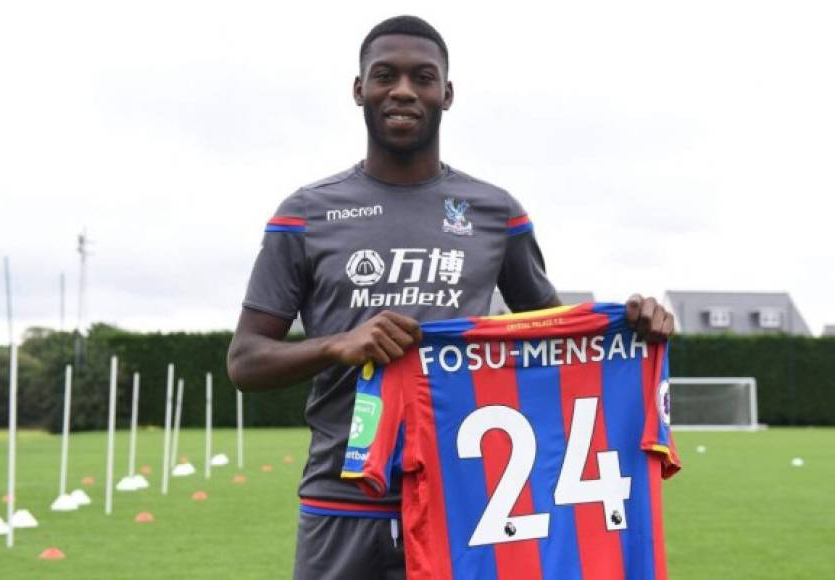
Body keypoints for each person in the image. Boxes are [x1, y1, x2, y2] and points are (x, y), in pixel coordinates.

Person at [227, 15, 674, 579]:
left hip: (469, 505)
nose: (404, 90)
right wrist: (339, 345)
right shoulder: (305, 214)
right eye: (385, 75)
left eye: (423, 77)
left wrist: (632, 328)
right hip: (343, 503)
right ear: (359, 88)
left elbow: (558, 346)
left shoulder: (495, 212)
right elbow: (245, 362)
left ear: (448, 93)